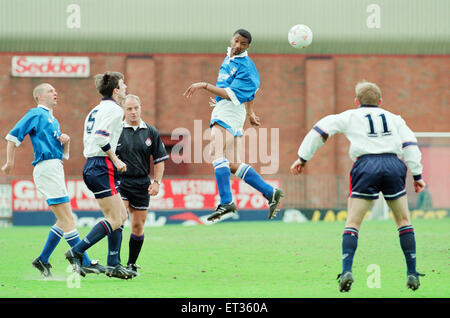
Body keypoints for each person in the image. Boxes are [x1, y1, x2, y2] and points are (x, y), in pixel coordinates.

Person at [290, 80, 426, 292]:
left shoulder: (349, 116)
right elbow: (410, 143)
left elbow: (320, 130)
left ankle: (346, 270)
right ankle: (412, 272)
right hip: (393, 165)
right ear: (380, 101)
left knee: (353, 222)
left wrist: (302, 158)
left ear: (356, 101)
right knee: (403, 220)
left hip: (366, 166)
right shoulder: (394, 118)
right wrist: (417, 174)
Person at [1, 83, 105, 277]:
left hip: (55, 167)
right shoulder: (36, 114)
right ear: (40, 97)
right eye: (50, 91)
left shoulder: (53, 120)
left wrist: (65, 143)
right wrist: (9, 163)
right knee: (67, 219)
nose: (55, 93)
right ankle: (85, 260)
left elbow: (61, 154)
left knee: (65, 218)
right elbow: (12, 137)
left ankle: (43, 259)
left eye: (55, 90)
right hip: (46, 168)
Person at [184, 28, 284, 221]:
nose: (238, 46)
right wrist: (250, 112)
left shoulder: (246, 66)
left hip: (228, 110)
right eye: (236, 41)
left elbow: (232, 93)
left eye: (243, 44)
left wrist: (203, 85)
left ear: (248, 47)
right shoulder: (230, 56)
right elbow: (251, 93)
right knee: (231, 163)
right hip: (233, 111)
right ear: (232, 39)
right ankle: (270, 192)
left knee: (215, 152)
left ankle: (226, 202)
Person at [64, 72, 136, 279]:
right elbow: (100, 137)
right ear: (115, 91)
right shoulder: (114, 109)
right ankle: (76, 251)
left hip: (94, 165)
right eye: (123, 85)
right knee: (118, 217)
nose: (125, 87)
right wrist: (116, 159)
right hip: (101, 165)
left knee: (117, 216)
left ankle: (113, 263)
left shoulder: (96, 109)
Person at [115, 94, 169, 274]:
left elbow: (159, 159)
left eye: (135, 108)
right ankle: (115, 262)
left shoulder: (151, 132)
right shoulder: (116, 130)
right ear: (123, 110)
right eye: (129, 109)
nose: (133, 112)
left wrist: (157, 182)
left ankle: (131, 264)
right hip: (121, 182)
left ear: (140, 108)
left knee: (138, 225)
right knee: (119, 220)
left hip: (141, 184)